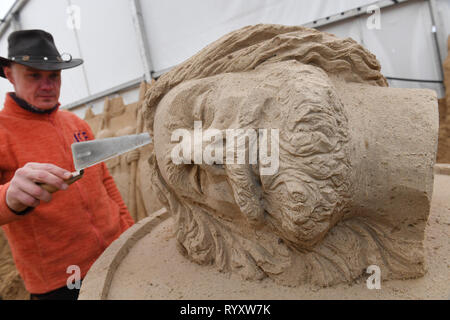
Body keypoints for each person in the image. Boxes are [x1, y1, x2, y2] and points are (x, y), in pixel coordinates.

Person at [0, 29, 134, 300]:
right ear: (10, 74)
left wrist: (129, 230)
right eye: (34, 75)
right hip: (60, 281)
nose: (48, 85)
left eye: (54, 76)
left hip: (115, 254)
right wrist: (9, 199)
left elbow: (104, 181)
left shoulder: (76, 124)